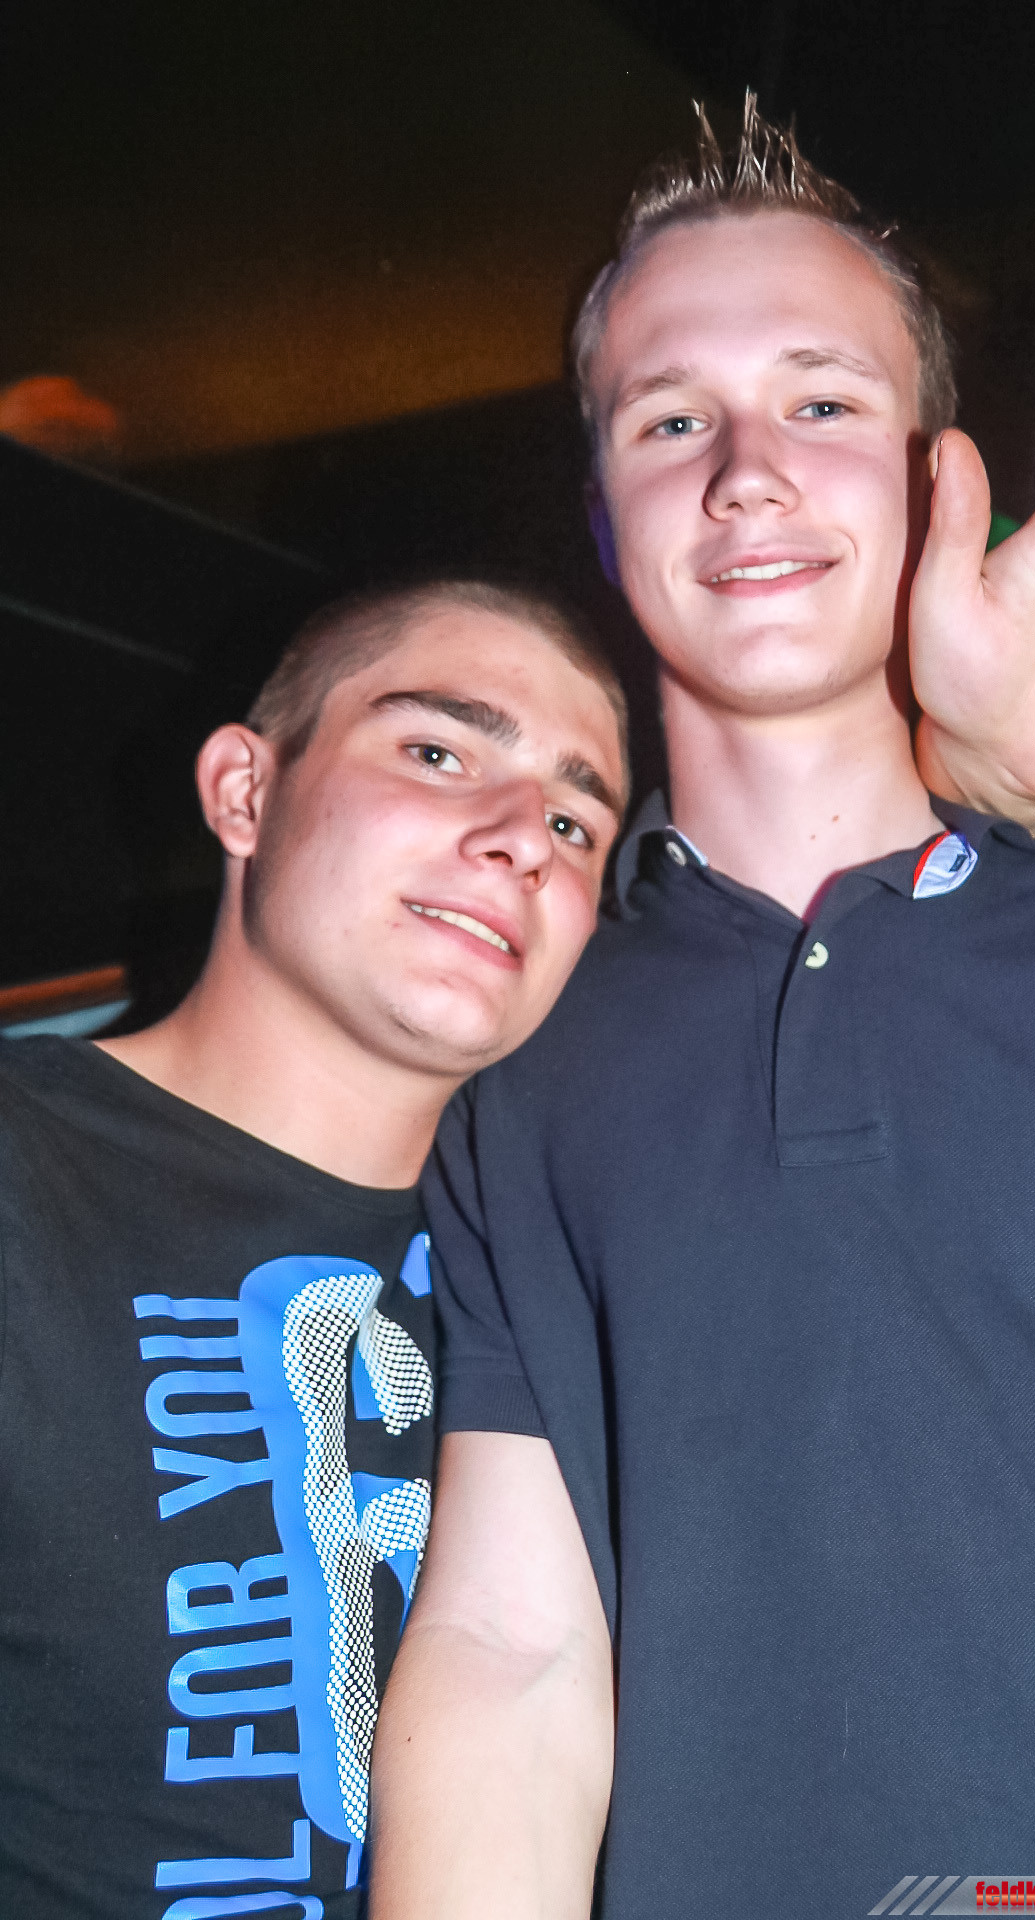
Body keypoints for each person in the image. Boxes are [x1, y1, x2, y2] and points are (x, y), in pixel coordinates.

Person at [369, 104, 1035, 1917]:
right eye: (670, 420)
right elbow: (509, 1647)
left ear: (937, 484)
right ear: (604, 514)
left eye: (824, 402)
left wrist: (990, 801)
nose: (749, 473)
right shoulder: (519, 1046)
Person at [0, 578, 630, 1919]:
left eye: (577, 822)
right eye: (439, 752)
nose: (524, 837)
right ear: (245, 792)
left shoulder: (567, 1281)